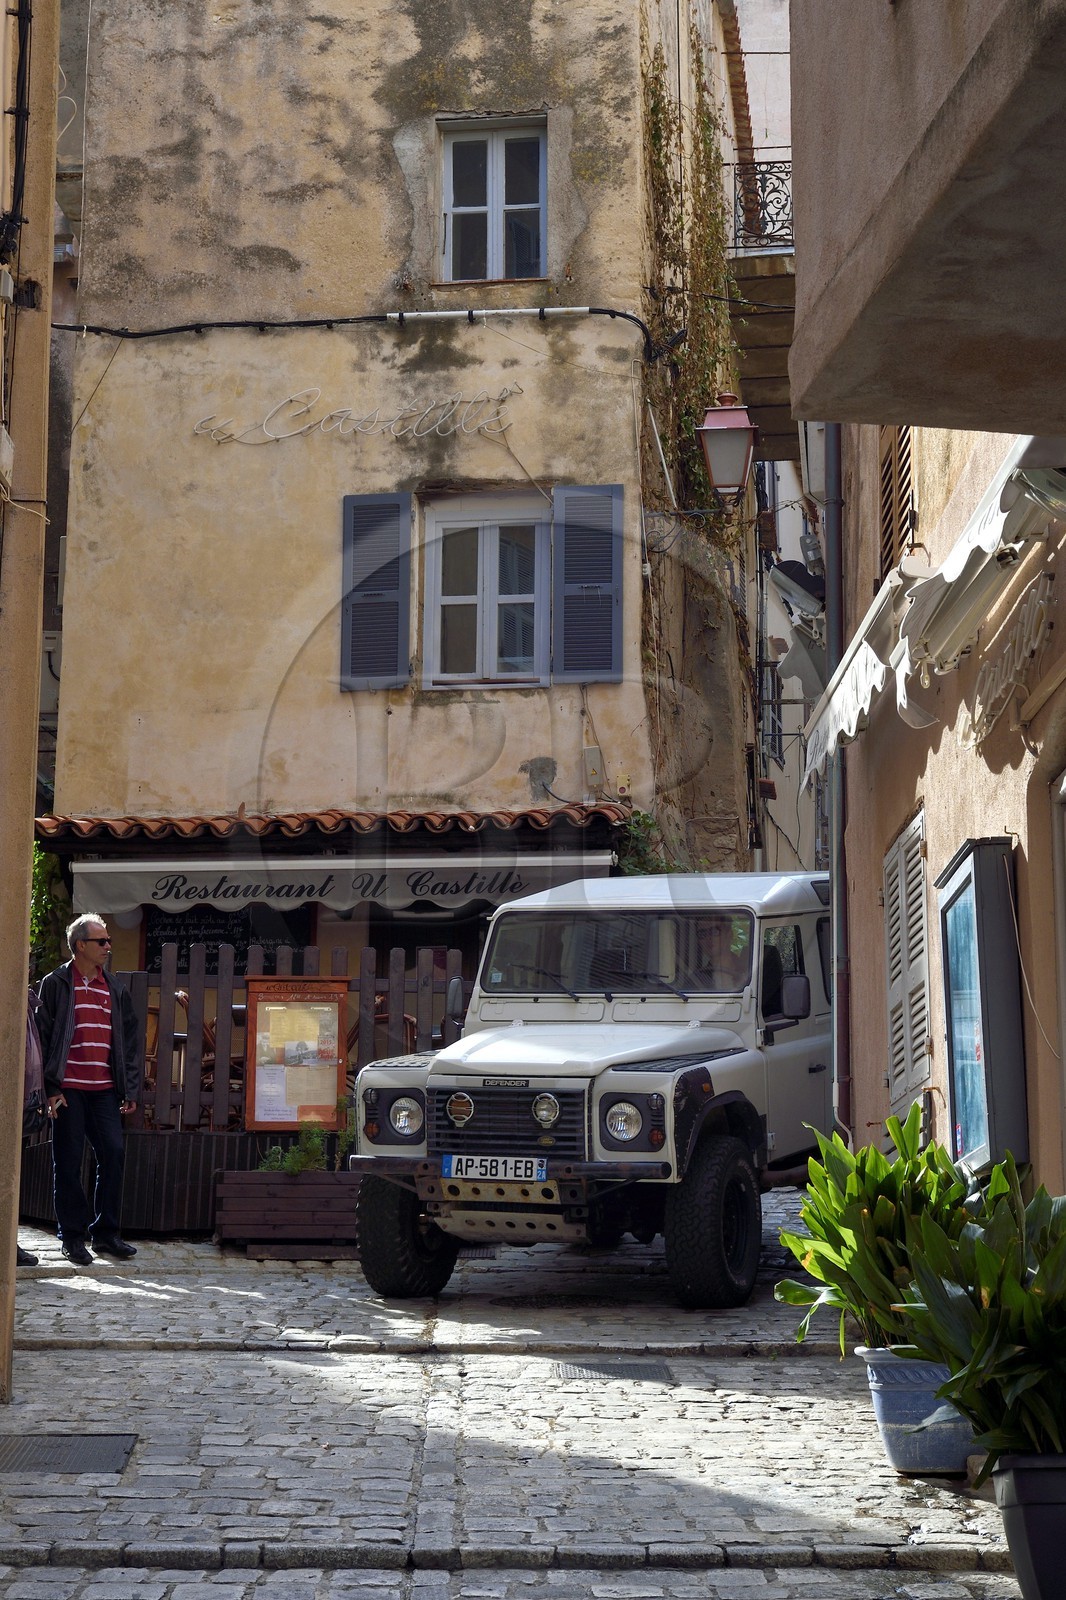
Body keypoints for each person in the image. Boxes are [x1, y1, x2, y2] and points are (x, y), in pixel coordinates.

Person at [35, 913, 140, 1265]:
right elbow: (44, 1036)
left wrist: (130, 1088)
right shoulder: (57, 983)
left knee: (113, 1153)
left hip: (105, 1090)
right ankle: (73, 1236)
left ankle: (106, 1234)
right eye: (101, 941)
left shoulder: (115, 988)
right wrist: (51, 1088)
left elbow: (128, 1041)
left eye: (108, 941)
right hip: (69, 1089)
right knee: (67, 1161)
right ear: (81, 945)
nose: (108, 946)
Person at [691, 917, 751, 993]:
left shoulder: (749, 969)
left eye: (714, 931)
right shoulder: (697, 980)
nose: (708, 938)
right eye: (702, 934)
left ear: (729, 935)